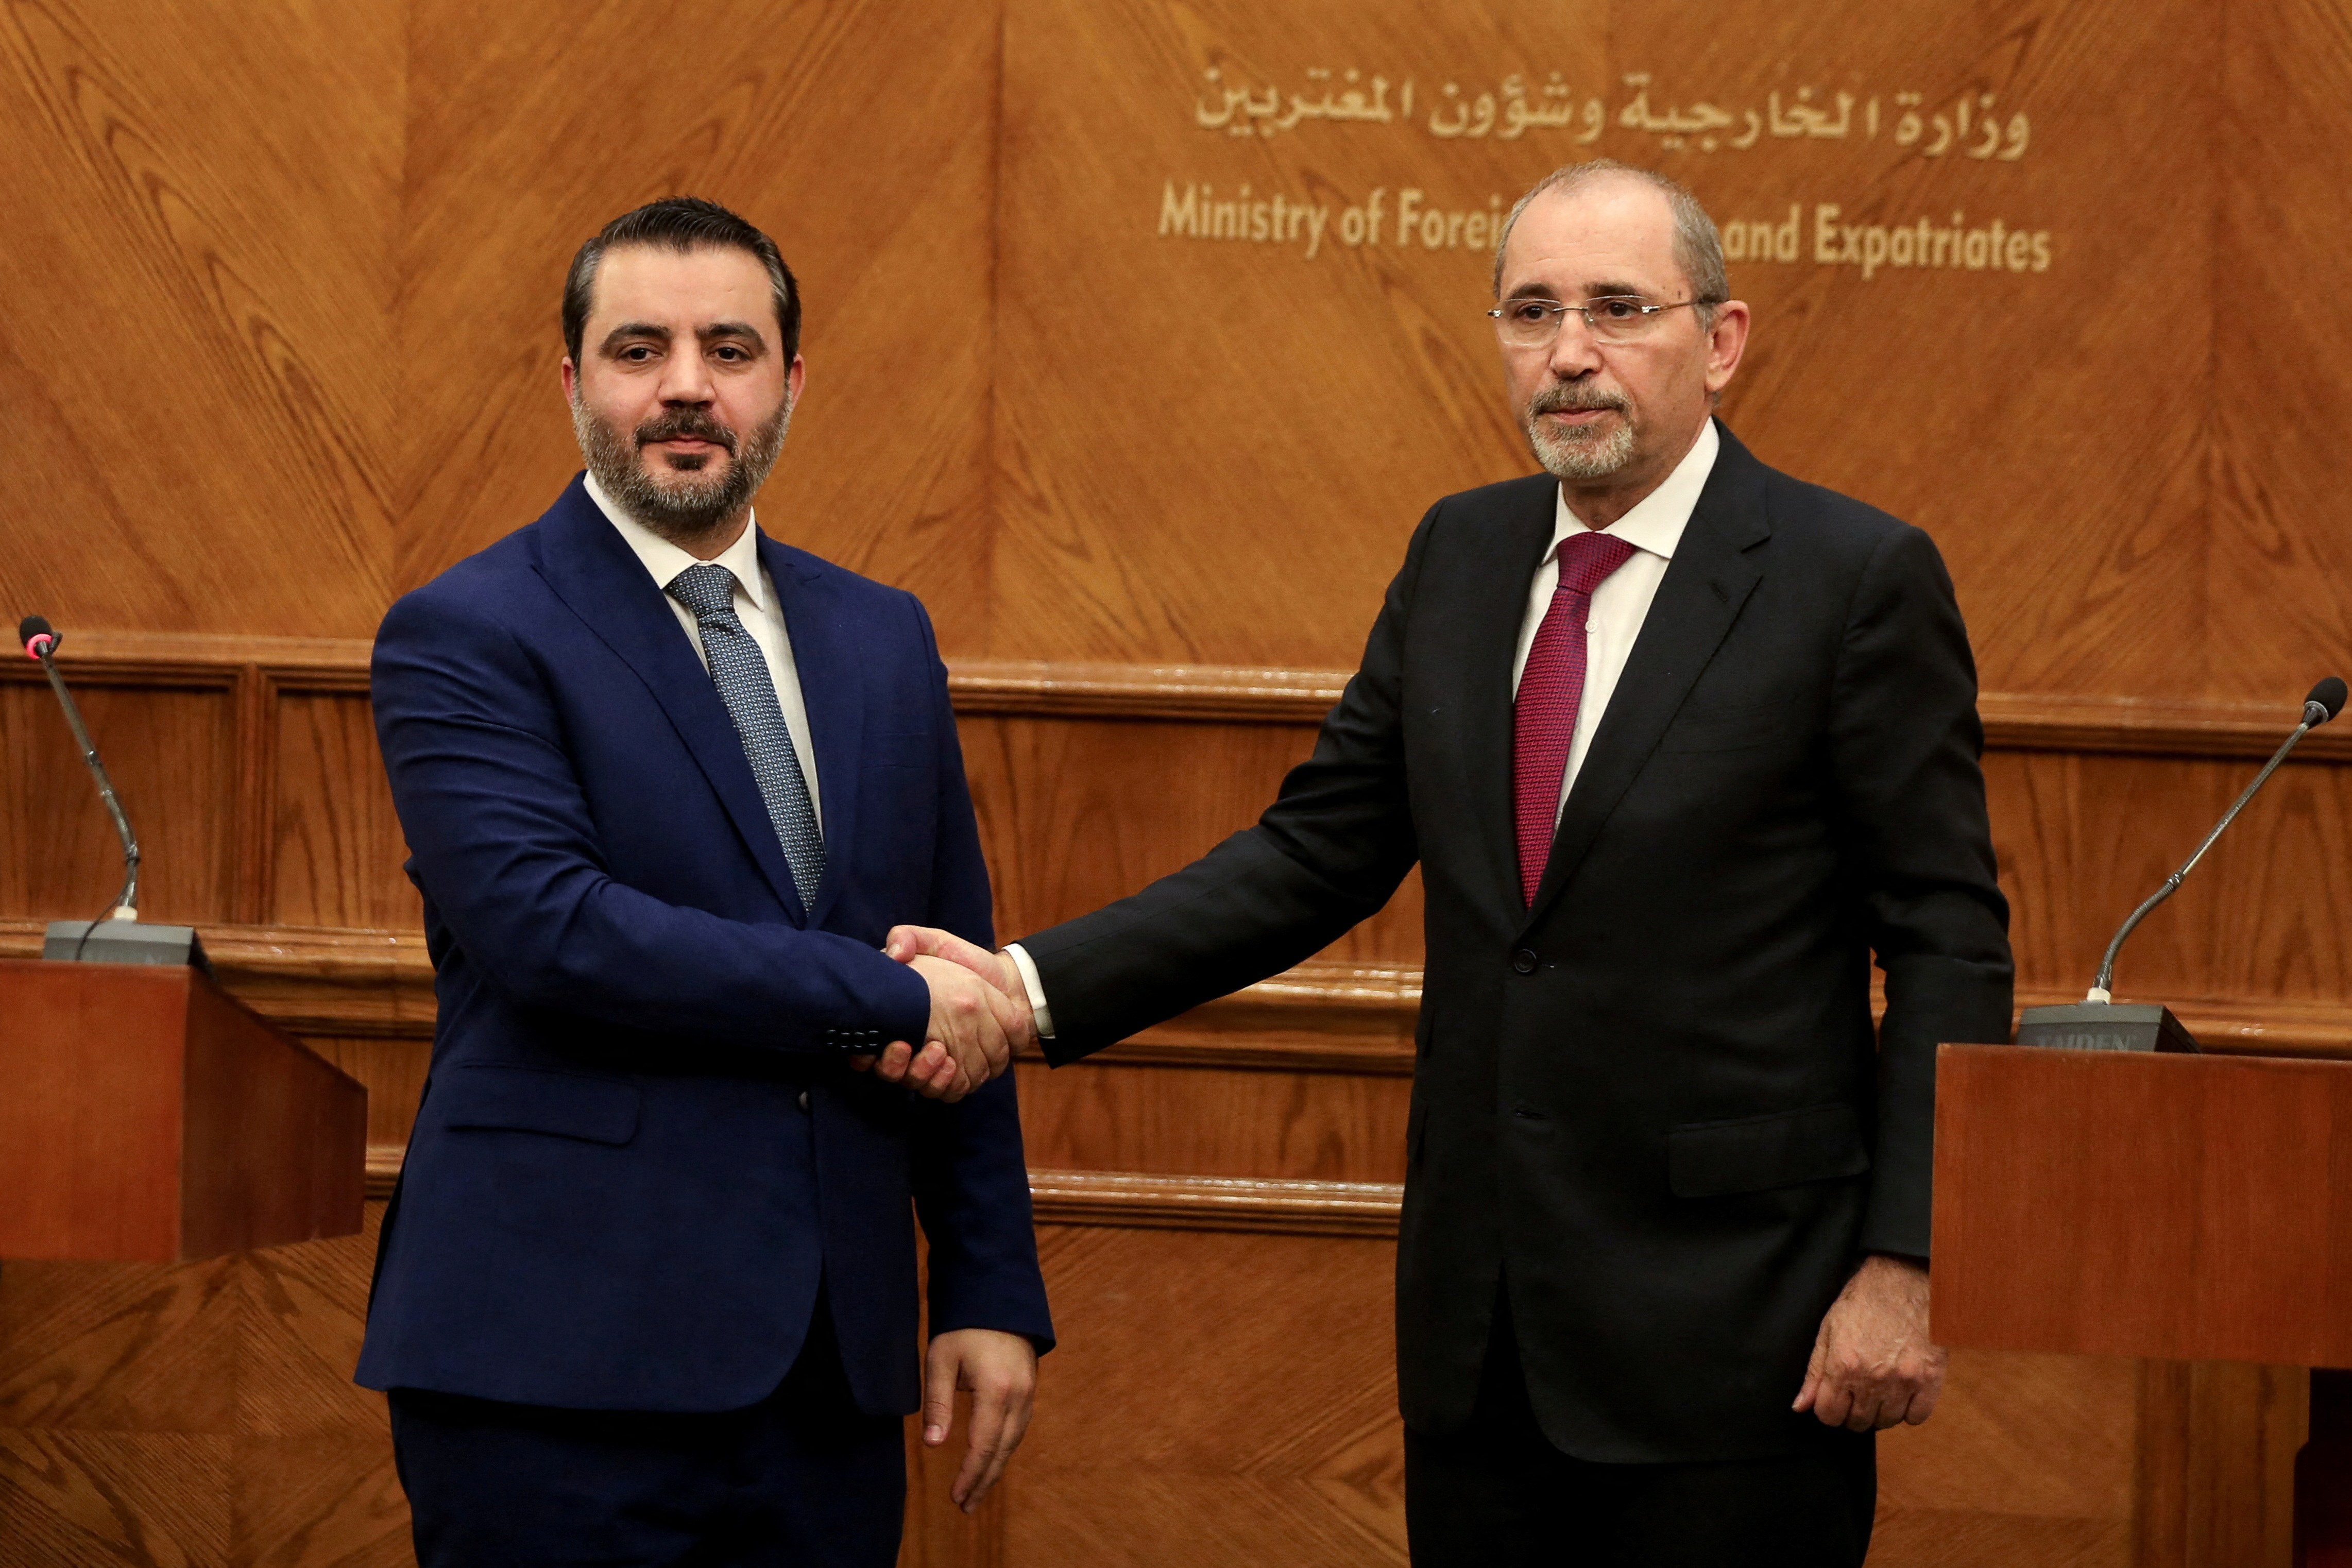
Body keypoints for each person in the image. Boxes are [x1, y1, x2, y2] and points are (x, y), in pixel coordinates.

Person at [883, 160, 2014, 1564]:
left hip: (1747, 1342)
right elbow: (1314, 854)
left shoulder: (1853, 579)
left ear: (1721, 340)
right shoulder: (1462, 555)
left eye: (1617, 309)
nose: (1571, 353)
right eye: (1531, 312)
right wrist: (1026, 986)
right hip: (1484, 1347)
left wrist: (1910, 1266)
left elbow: (1949, 940)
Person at [359, 196, 1048, 1568]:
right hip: (553, 1367)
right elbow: (559, 934)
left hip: (827, 1374)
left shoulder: (883, 637)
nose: (686, 385)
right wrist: (895, 999)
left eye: (730, 349)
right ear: (572, 383)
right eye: (639, 348)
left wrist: (986, 1283)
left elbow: (950, 948)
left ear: (790, 383)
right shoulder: (464, 633)